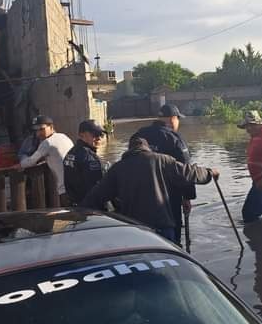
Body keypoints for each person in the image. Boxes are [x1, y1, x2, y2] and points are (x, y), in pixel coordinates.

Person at [81, 137, 219, 242]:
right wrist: (210, 173)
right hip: (163, 227)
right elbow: (190, 173)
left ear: (129, 150)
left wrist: (79, 215)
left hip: (134, 230)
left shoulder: (118, 168)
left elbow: (95, 197)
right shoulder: (163, 160)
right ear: (148, 149)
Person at [132, 104, 195, 244]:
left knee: (145, 236)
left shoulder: (139, 134)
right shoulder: (174, 138)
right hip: (169, 196)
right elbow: (186, 169)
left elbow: (129, 160)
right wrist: (187, 197)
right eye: (178, 119)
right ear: (173, 119)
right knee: (173, 235)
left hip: (140, 195)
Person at [19, 115, 74, 202]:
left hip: (65, 189)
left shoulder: (47, 143)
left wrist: (20, 162)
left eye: (41, 129)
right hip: (75, 184)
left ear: (51, 127)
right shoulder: (64, 136)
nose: (38, 133)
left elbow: (29, 162)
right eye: (36, 131)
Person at [63, 120, 106, 206]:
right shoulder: (89, 157)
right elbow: (97, 187)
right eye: (95, 134)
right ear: (81, 135)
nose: (99, 138)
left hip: (74, 205)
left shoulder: (70, 153)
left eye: (101, 134)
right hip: (90, 208)